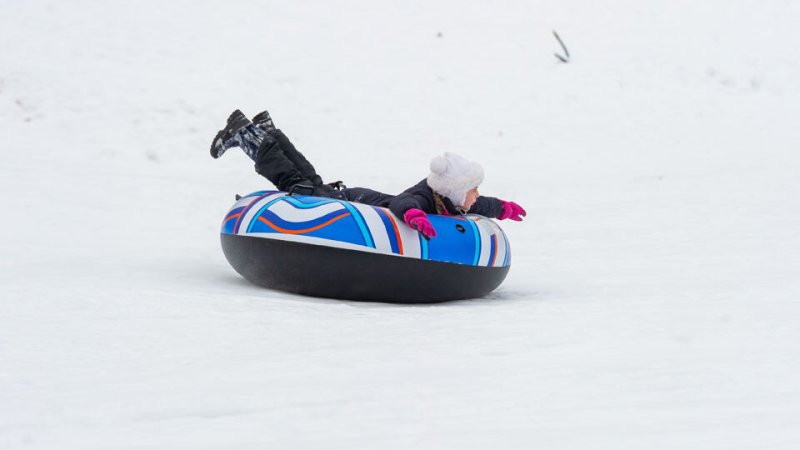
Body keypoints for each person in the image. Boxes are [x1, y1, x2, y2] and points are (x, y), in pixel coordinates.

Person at [210, 110, 526, 238]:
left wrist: (503, 208)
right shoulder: (427, 195)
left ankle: (268, 132)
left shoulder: (454, 200)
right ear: (455, 189)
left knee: (308, 181)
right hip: (351, 203)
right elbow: (404, 202)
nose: (476, 196)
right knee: (297, 185)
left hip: (352, 197)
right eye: (473, 190)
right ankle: (248, 136)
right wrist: (415, 216)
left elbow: (480, 204)